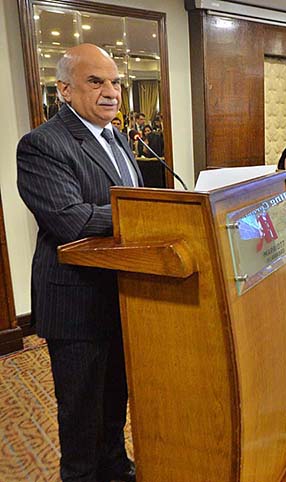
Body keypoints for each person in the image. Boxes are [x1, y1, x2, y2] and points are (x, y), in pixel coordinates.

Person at [16, 44, 141, 482]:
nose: (111, 92)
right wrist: (144, 212)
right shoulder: (41, 144)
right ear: (65, 89)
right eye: (96, 81)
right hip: (75, 303)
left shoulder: (119, 138)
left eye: (115, 82)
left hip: (122, 295)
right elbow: (70, 220)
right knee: (81, 409)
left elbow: (117, 206)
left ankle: (114, 465)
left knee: (114, 398)